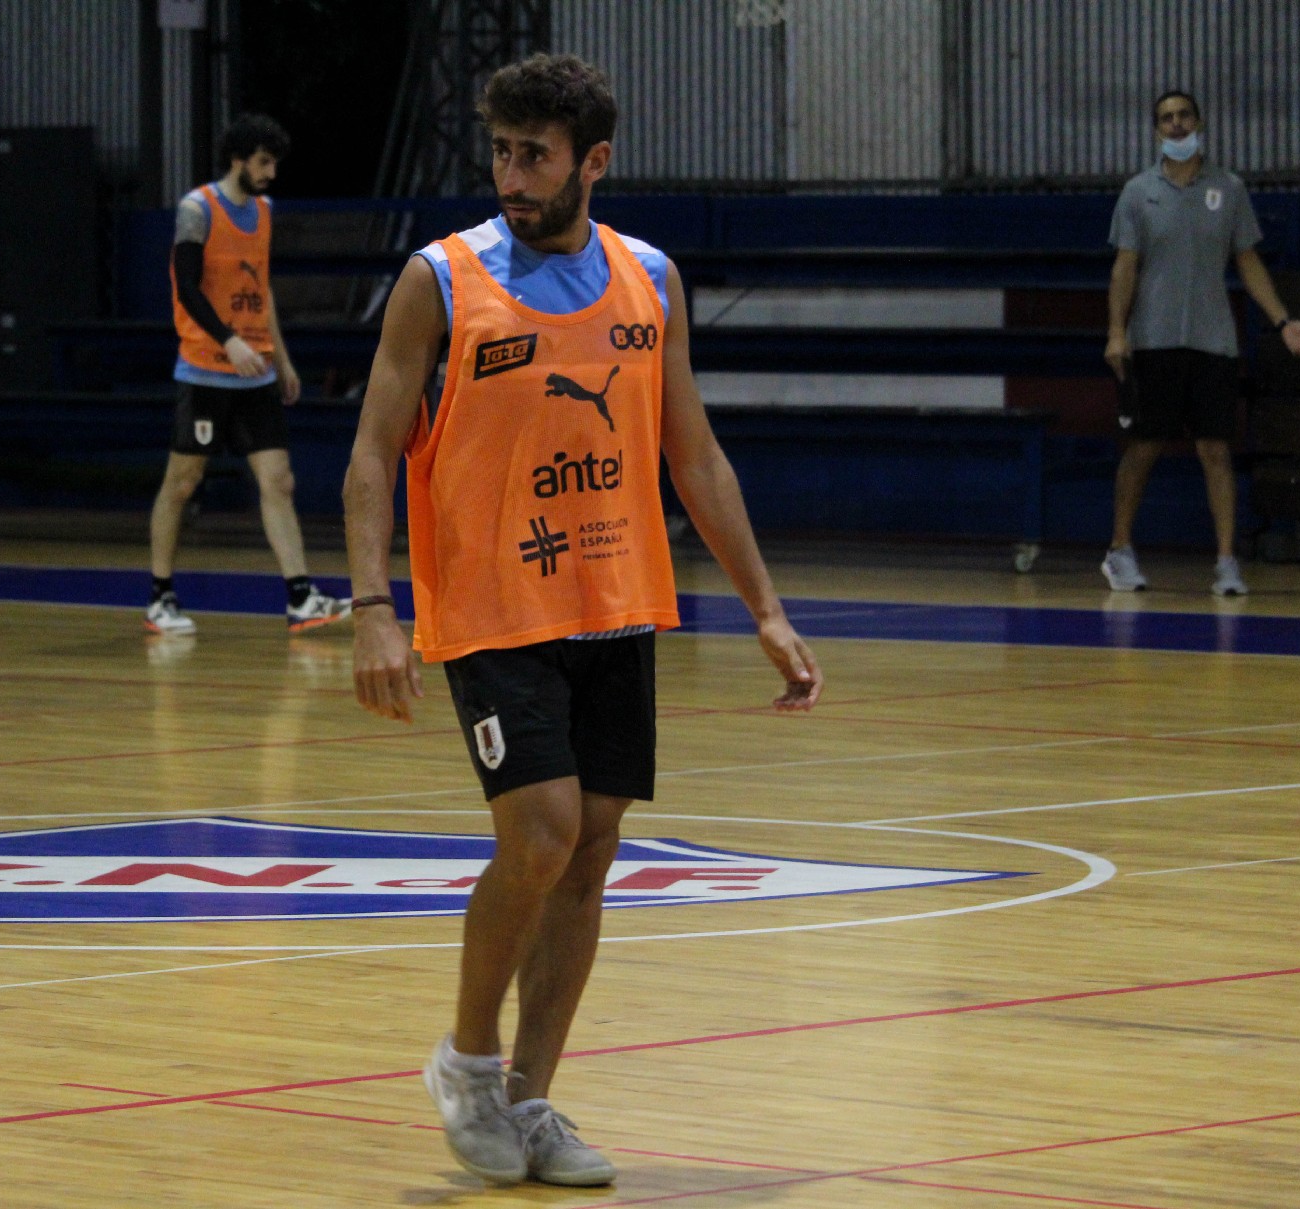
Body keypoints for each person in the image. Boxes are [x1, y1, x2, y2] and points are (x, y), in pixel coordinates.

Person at [342, 53, 821, 1188]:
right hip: (489, 608)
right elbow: (370, 453)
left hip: (613, 600)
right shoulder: (439, 279)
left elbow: (693, 454)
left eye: (535, 156)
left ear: (591, 162)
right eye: (500, 152)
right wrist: (370, 606)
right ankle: (466, 1061)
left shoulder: (649, 278)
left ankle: (531, 1098)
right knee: (543, 830)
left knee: (591, 849)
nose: (511, 176)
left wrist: (765, 607)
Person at [1102, 88, 1300, 595]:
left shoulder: (1229, 189)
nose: (1176, 124)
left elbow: (1247, 261)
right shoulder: (1138, 192)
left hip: (1213, 341)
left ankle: (1225, 562)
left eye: (1184, 116)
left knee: (1216, 449)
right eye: (1166, 118)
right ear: (1156, 130)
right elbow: (1125, 267)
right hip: (1153, 340)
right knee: (1144, 446)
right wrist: (1116, 332)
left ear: (1199, 123)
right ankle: (1119, 550)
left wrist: (1283, 321)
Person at [145, 113, 349, 636]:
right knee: (182, 482)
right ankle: (160, 597)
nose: (270, 173)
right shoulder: (197, 210)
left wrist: (280, 358)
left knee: (279, 481)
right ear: (237, 159)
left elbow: (262, 289)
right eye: (262, 162)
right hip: (205, 372)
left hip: (255, 372)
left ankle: (300, 597)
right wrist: (228, 341)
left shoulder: (263, 211)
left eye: (273, 163)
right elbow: (187, 290)